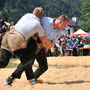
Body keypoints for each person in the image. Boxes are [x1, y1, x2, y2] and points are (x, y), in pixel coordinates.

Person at [5, 14, 69, 85]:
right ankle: (11, 78)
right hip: (32, 42)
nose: (65, 27)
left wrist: (46, 42)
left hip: (42, 46)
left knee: (44, 67)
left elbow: (52, 45)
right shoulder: (44, 20)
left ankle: (32, 80)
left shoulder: (59, 32)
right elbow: (30, 22)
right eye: (65, 25)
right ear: (60, 21)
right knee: (28, 62)